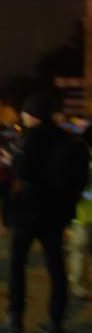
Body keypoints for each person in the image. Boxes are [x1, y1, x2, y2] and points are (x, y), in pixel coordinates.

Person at [0, 93, 88, 333]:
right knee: (57, 268)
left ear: (31, 115)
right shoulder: (71, 140)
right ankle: (56, 322)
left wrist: (11, 160)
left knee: (18, 266)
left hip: (28, 211)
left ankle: (15, 320)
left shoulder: (32, 138)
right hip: (56, 214)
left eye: (25, 114)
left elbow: (25, 172)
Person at [67, 124, 92, 300]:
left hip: (83, 212)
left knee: (80, 251)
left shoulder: (81, 155)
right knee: (79, 250)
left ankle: (79, 284)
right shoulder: (83, 157)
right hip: (83, 213)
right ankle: (78, 284)